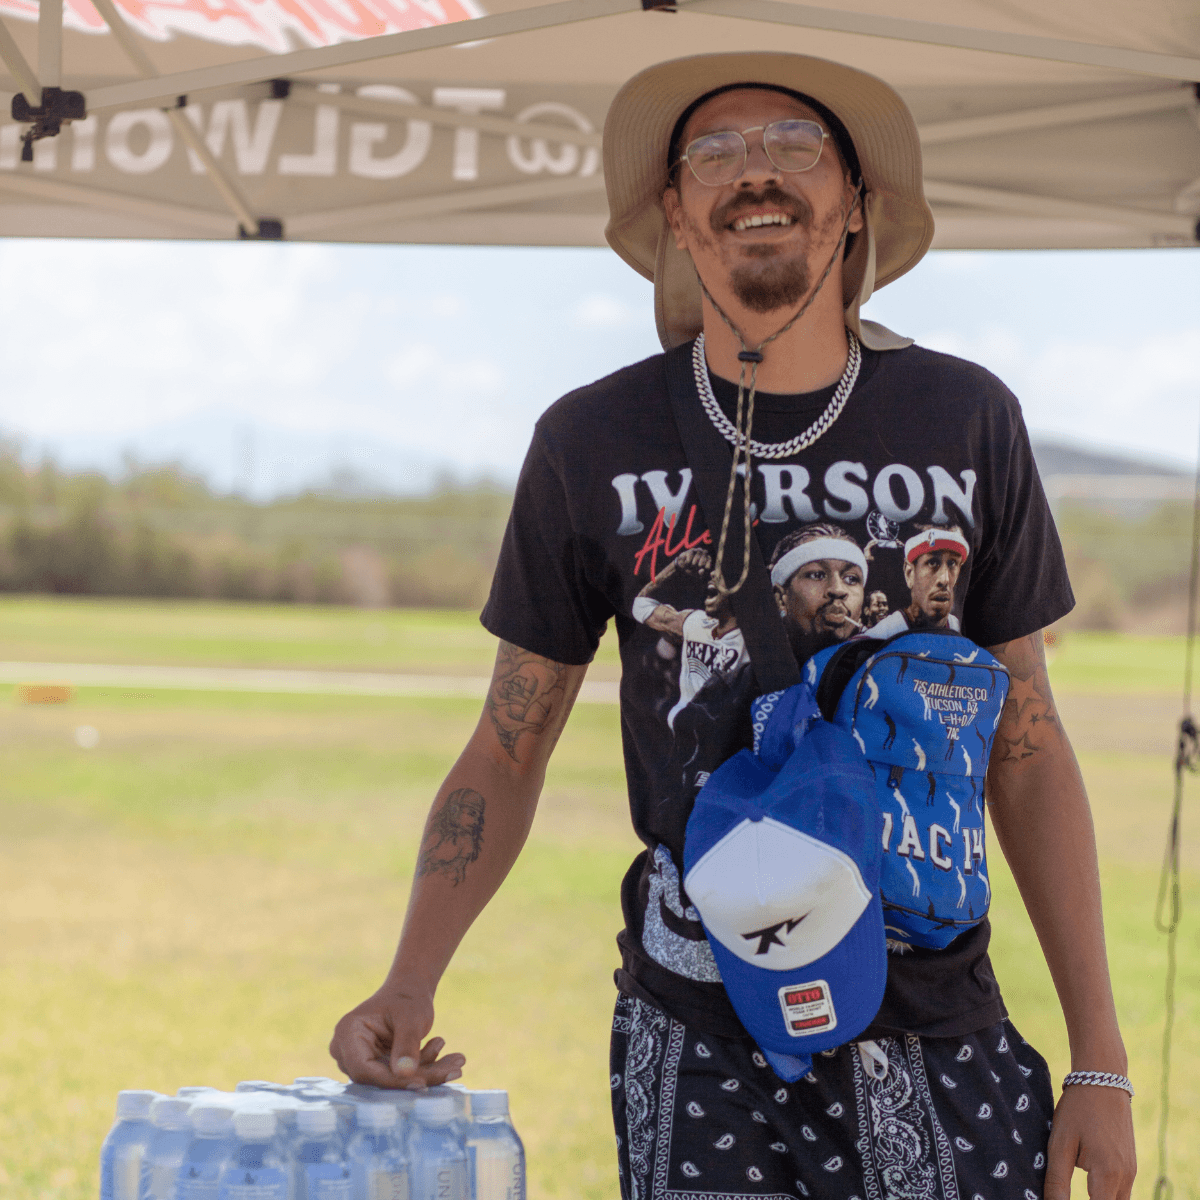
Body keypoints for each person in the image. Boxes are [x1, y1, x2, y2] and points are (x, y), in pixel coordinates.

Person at [329, 52, 1135, 1200]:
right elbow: (511, 743)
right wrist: (408, 980)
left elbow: (1030, 742)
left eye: (796, 147)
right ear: (676, 215)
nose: (754, 174)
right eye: (712, 154)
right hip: (698, 1027)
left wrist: (1100, 1062)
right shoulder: (590, 440)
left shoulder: (965, 416)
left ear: (855, 204)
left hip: (938, 1020)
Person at [631, 547, 748, 729]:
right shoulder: (694, 622)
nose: (713, 577)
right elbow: (640, 606)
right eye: (714, 573)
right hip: (684, 740)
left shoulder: (758, 635)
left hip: (731, 743)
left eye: (723, 573)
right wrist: (675, 566)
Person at [767, 522, 866, 659]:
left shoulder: (884, 674)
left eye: (851, 579)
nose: (838, 590)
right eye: (817, 575)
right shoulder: (743, 679)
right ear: (780, 598)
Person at [870, 525, 968, 638]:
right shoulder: (879, 637)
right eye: (932, 563)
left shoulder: (959, 628)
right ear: (909, 573)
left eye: (952, 563)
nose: (944, 580)